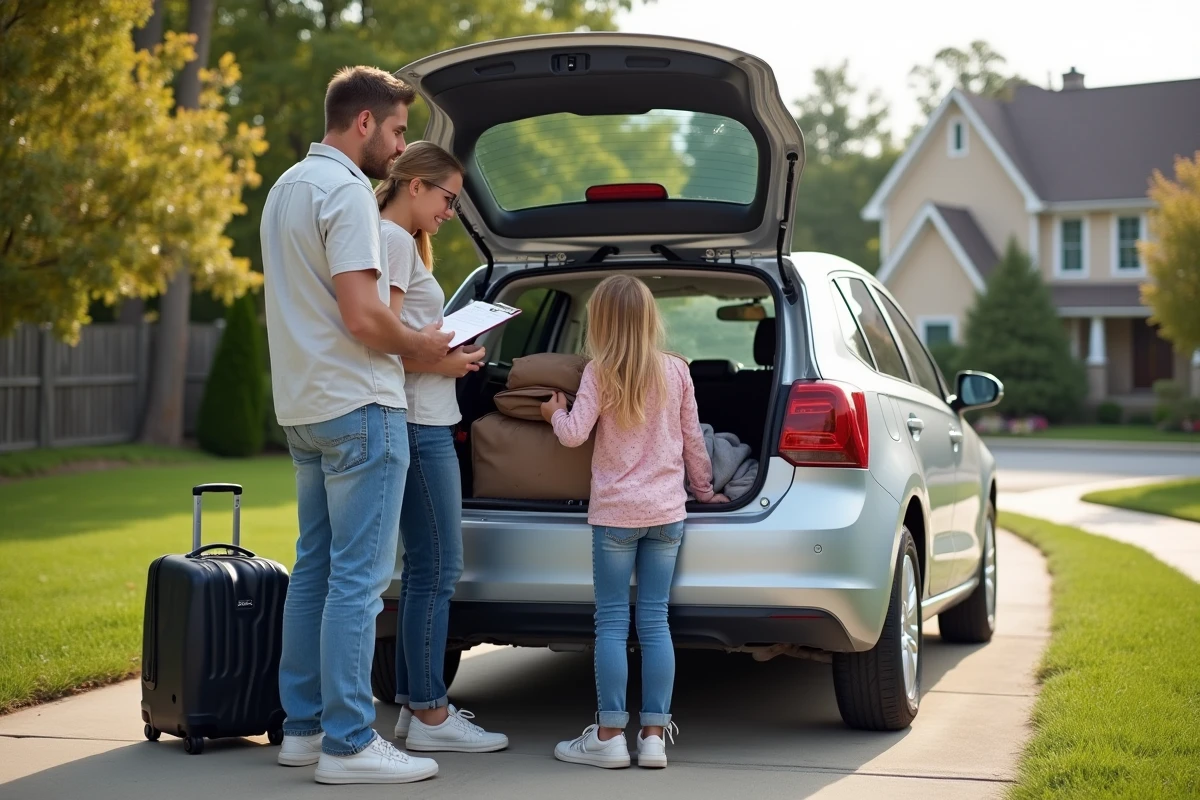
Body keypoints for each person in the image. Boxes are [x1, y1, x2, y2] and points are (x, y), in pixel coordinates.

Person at [261, 65, 453, 785]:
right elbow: (365, 317)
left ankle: (304, 728)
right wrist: (427, 346)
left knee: (314, 571)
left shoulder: (285, 188)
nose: (403, 150)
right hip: (361, 407)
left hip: (305, 410)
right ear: (364, 123)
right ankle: (348, 744)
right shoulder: (344, 192)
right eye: (399, 131)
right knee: (358, 583)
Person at [540, 275, 727, 770]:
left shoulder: (599, 372)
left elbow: (575, 436)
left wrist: (553, 414)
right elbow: (694, 445)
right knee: (655, 620)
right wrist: (705, 492)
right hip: (667, 515)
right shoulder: (677, 371)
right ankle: (653, 738)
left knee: (611, 622)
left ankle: (607, 736)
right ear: (650, 319)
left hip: (615, 518)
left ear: (599, 323)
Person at [374, 141, 507, 753]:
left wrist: (444, 354)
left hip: (422, 419)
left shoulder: (395, 240)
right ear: (416, 185)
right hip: (420, 425)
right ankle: (430, 713)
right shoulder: (395, 241)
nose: (451, 211)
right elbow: (389, 339)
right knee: (436, 568)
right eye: (448, 198)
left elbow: (400, 336)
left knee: (426, 568)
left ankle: (413, 707)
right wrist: (447, 361)